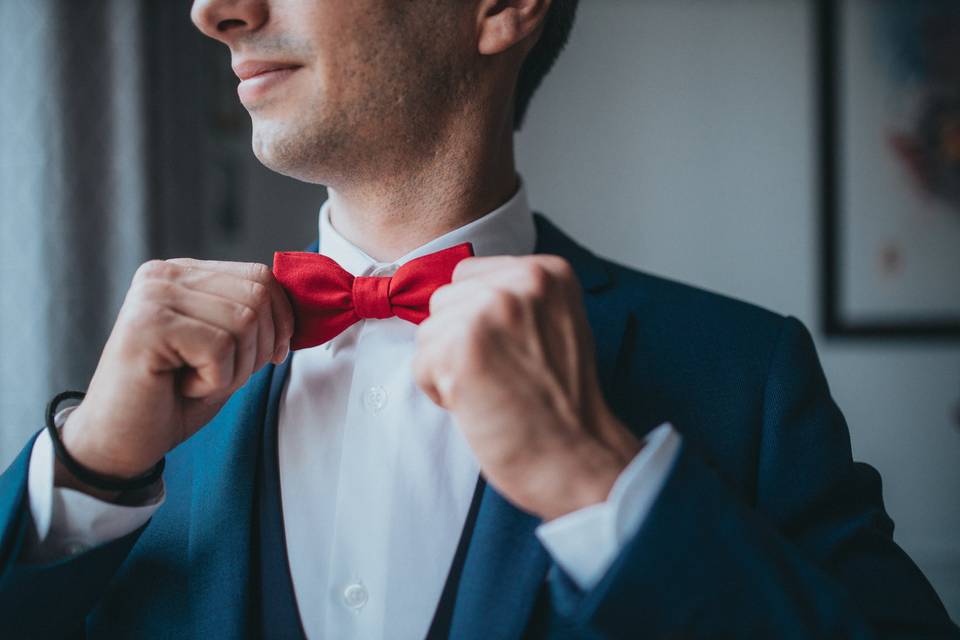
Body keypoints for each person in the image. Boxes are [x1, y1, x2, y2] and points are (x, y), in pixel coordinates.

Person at [0, 0, 957, 638]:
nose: (212, 8)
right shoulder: (143, 410)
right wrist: (83, 469)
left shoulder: (745, 375)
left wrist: (601, 484)